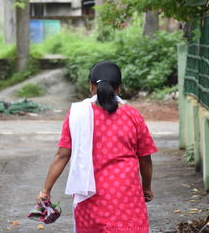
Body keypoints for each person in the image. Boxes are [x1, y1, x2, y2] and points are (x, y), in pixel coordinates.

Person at [37, 61, 158, 233]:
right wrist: (146, 188)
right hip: (127, 195)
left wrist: (45, 190)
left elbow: (62, 155)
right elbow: (145, 158)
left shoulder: (78, 115)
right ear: (119, 88)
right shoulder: (132, 116)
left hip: (90, 195)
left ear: (91, 86)